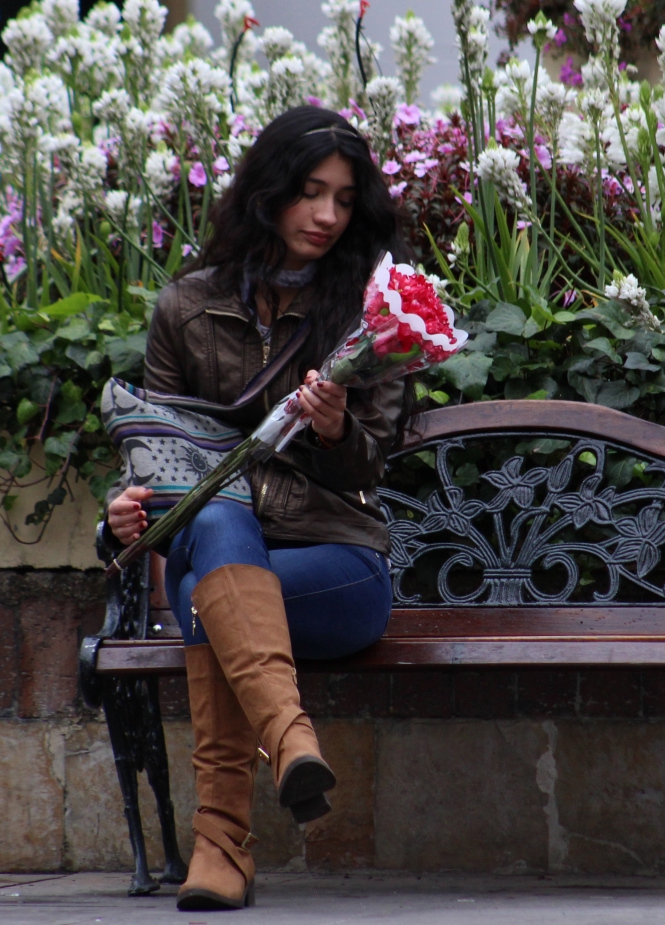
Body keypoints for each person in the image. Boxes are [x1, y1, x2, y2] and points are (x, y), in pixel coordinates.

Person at [105, 106, 407, 911]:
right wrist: (126, 516)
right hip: (219, 549)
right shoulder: (185, 310)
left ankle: (221, 844)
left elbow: (370, 465)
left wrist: (339, 427)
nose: (327, 216)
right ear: (269, 193)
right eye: (311, 193)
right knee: (211, 518)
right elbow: (161, 460)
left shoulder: (369, 315)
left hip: (338, 566)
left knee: (213, 594)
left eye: (344, 199)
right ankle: (292, 742)